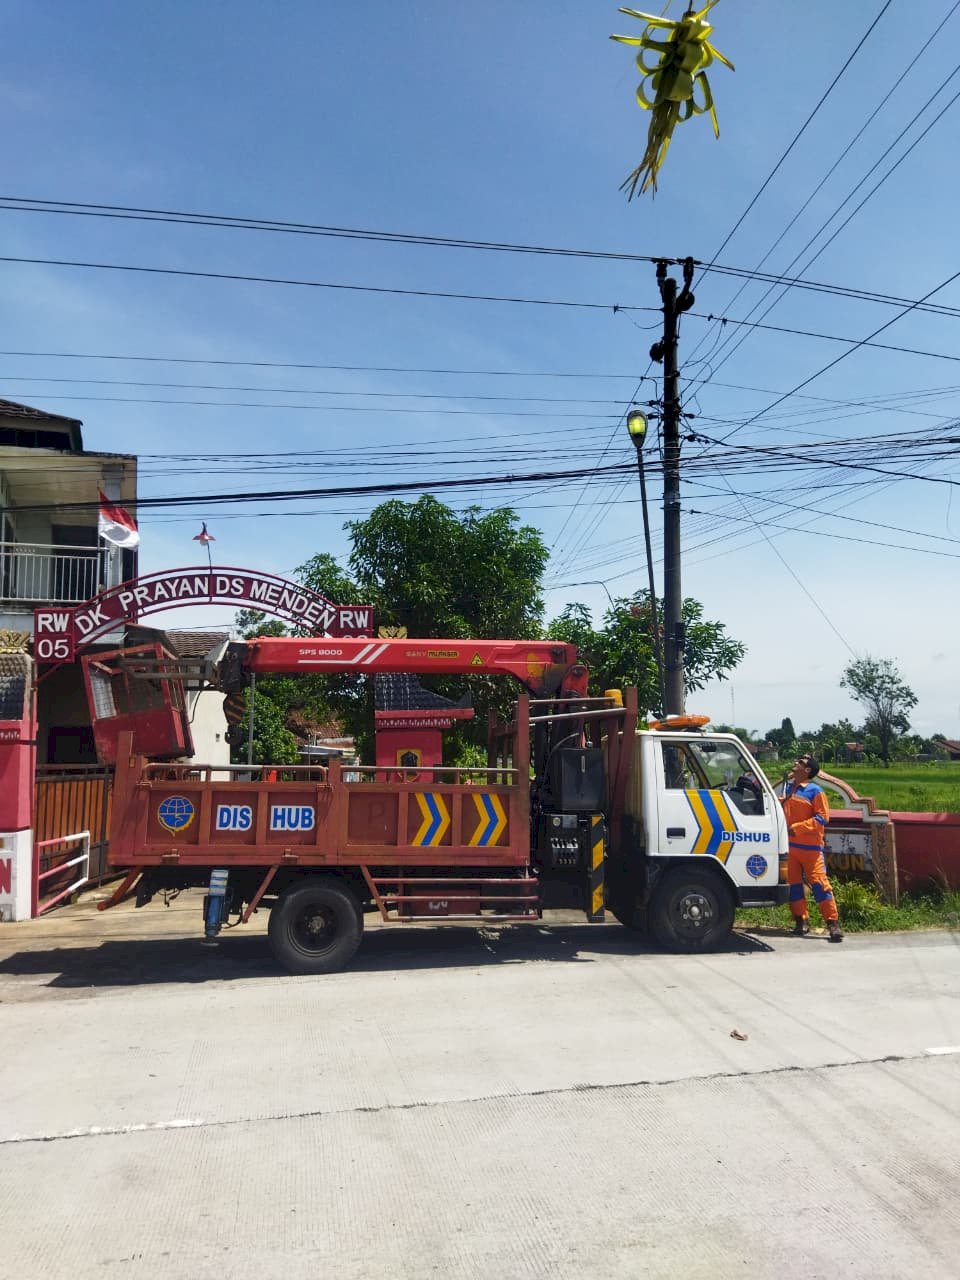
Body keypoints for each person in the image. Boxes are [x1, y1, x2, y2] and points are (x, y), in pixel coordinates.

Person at [782, 754, 843, 942]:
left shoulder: (815, 791)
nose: (795, 763)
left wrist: (798, 828)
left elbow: (822, 817)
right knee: (793, 886)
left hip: (811, 849)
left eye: (800, 762)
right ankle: (801, 921)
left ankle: (832, 924)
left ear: (807, 770)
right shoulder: (788, 788)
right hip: (790, 848)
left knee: (819, 884)